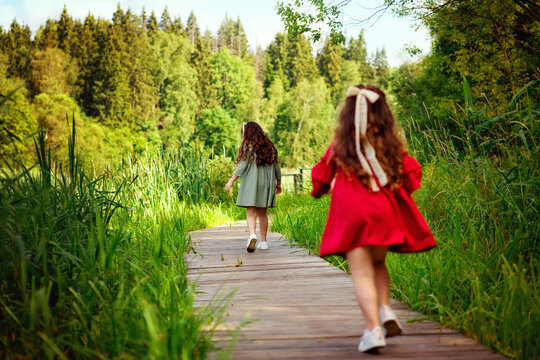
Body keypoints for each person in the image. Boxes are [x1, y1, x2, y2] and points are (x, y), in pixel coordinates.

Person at [310, 85, 436, 353]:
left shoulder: (341, 145)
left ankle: (373, 329)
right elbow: (412, 174)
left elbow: (320, 179)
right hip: (384, 213)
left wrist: (322, 188)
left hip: (352, 214)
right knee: (378, 264)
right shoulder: (389, 144)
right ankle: (386, 309)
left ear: (348, 113)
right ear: (382, 113)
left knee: (362, 274)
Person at [225, 121, 282, 252]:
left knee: (251, 213)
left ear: (248, 133)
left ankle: (252, 235)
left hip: (252, 184)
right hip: (266, 184)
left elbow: (242, 166)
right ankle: (264, 242)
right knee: (263, 214)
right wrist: (278, 183)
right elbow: (276, 168)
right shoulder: (270, 148)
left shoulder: (248, 147)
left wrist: (231, 181)